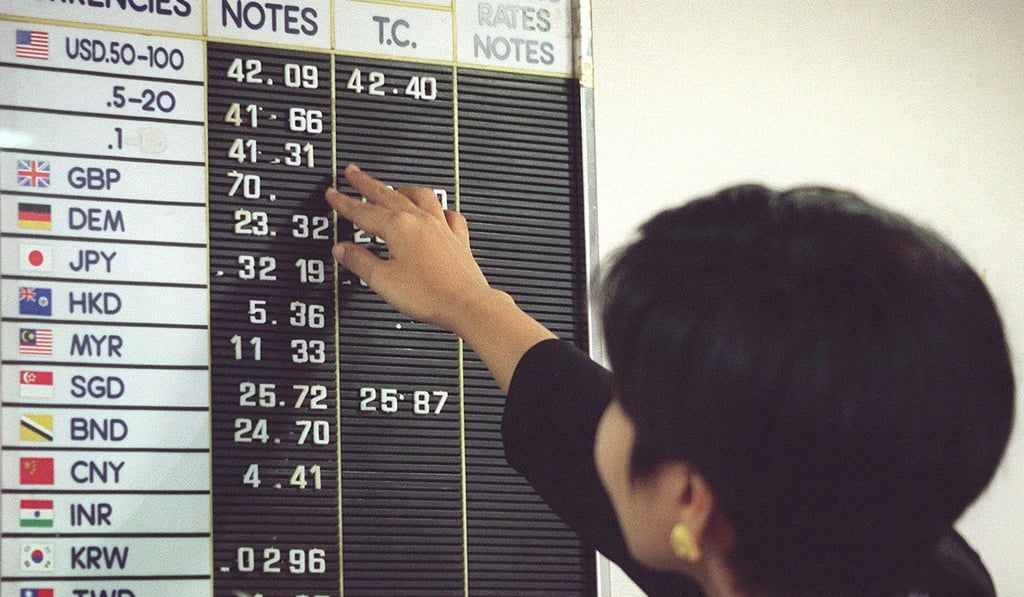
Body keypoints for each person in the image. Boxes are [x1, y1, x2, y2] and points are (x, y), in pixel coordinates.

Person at [325, 164, 1014, 596]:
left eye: (631, 393)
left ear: (691, 503)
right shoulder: (911, 553)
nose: (610, 404)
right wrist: (470, 301)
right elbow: (578, 420)